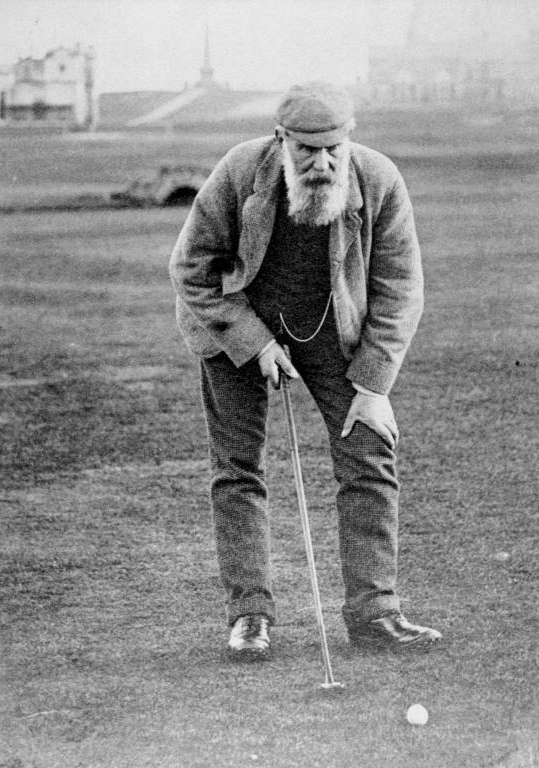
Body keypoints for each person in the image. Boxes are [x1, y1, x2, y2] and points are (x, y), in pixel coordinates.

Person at [169, 81, 442, 660]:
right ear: (280, 140)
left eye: (332, 150)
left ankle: (376, 613)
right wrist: (254, 342)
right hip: (236, 325)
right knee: (238, 469)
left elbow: (400, 288)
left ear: (349, 141)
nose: (321, 164)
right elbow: (191, 268)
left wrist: (372, 386)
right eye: (305, 151)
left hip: (331, 331)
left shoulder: (380, 179)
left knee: (370, 454)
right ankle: (250, 616)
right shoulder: (240, 170)